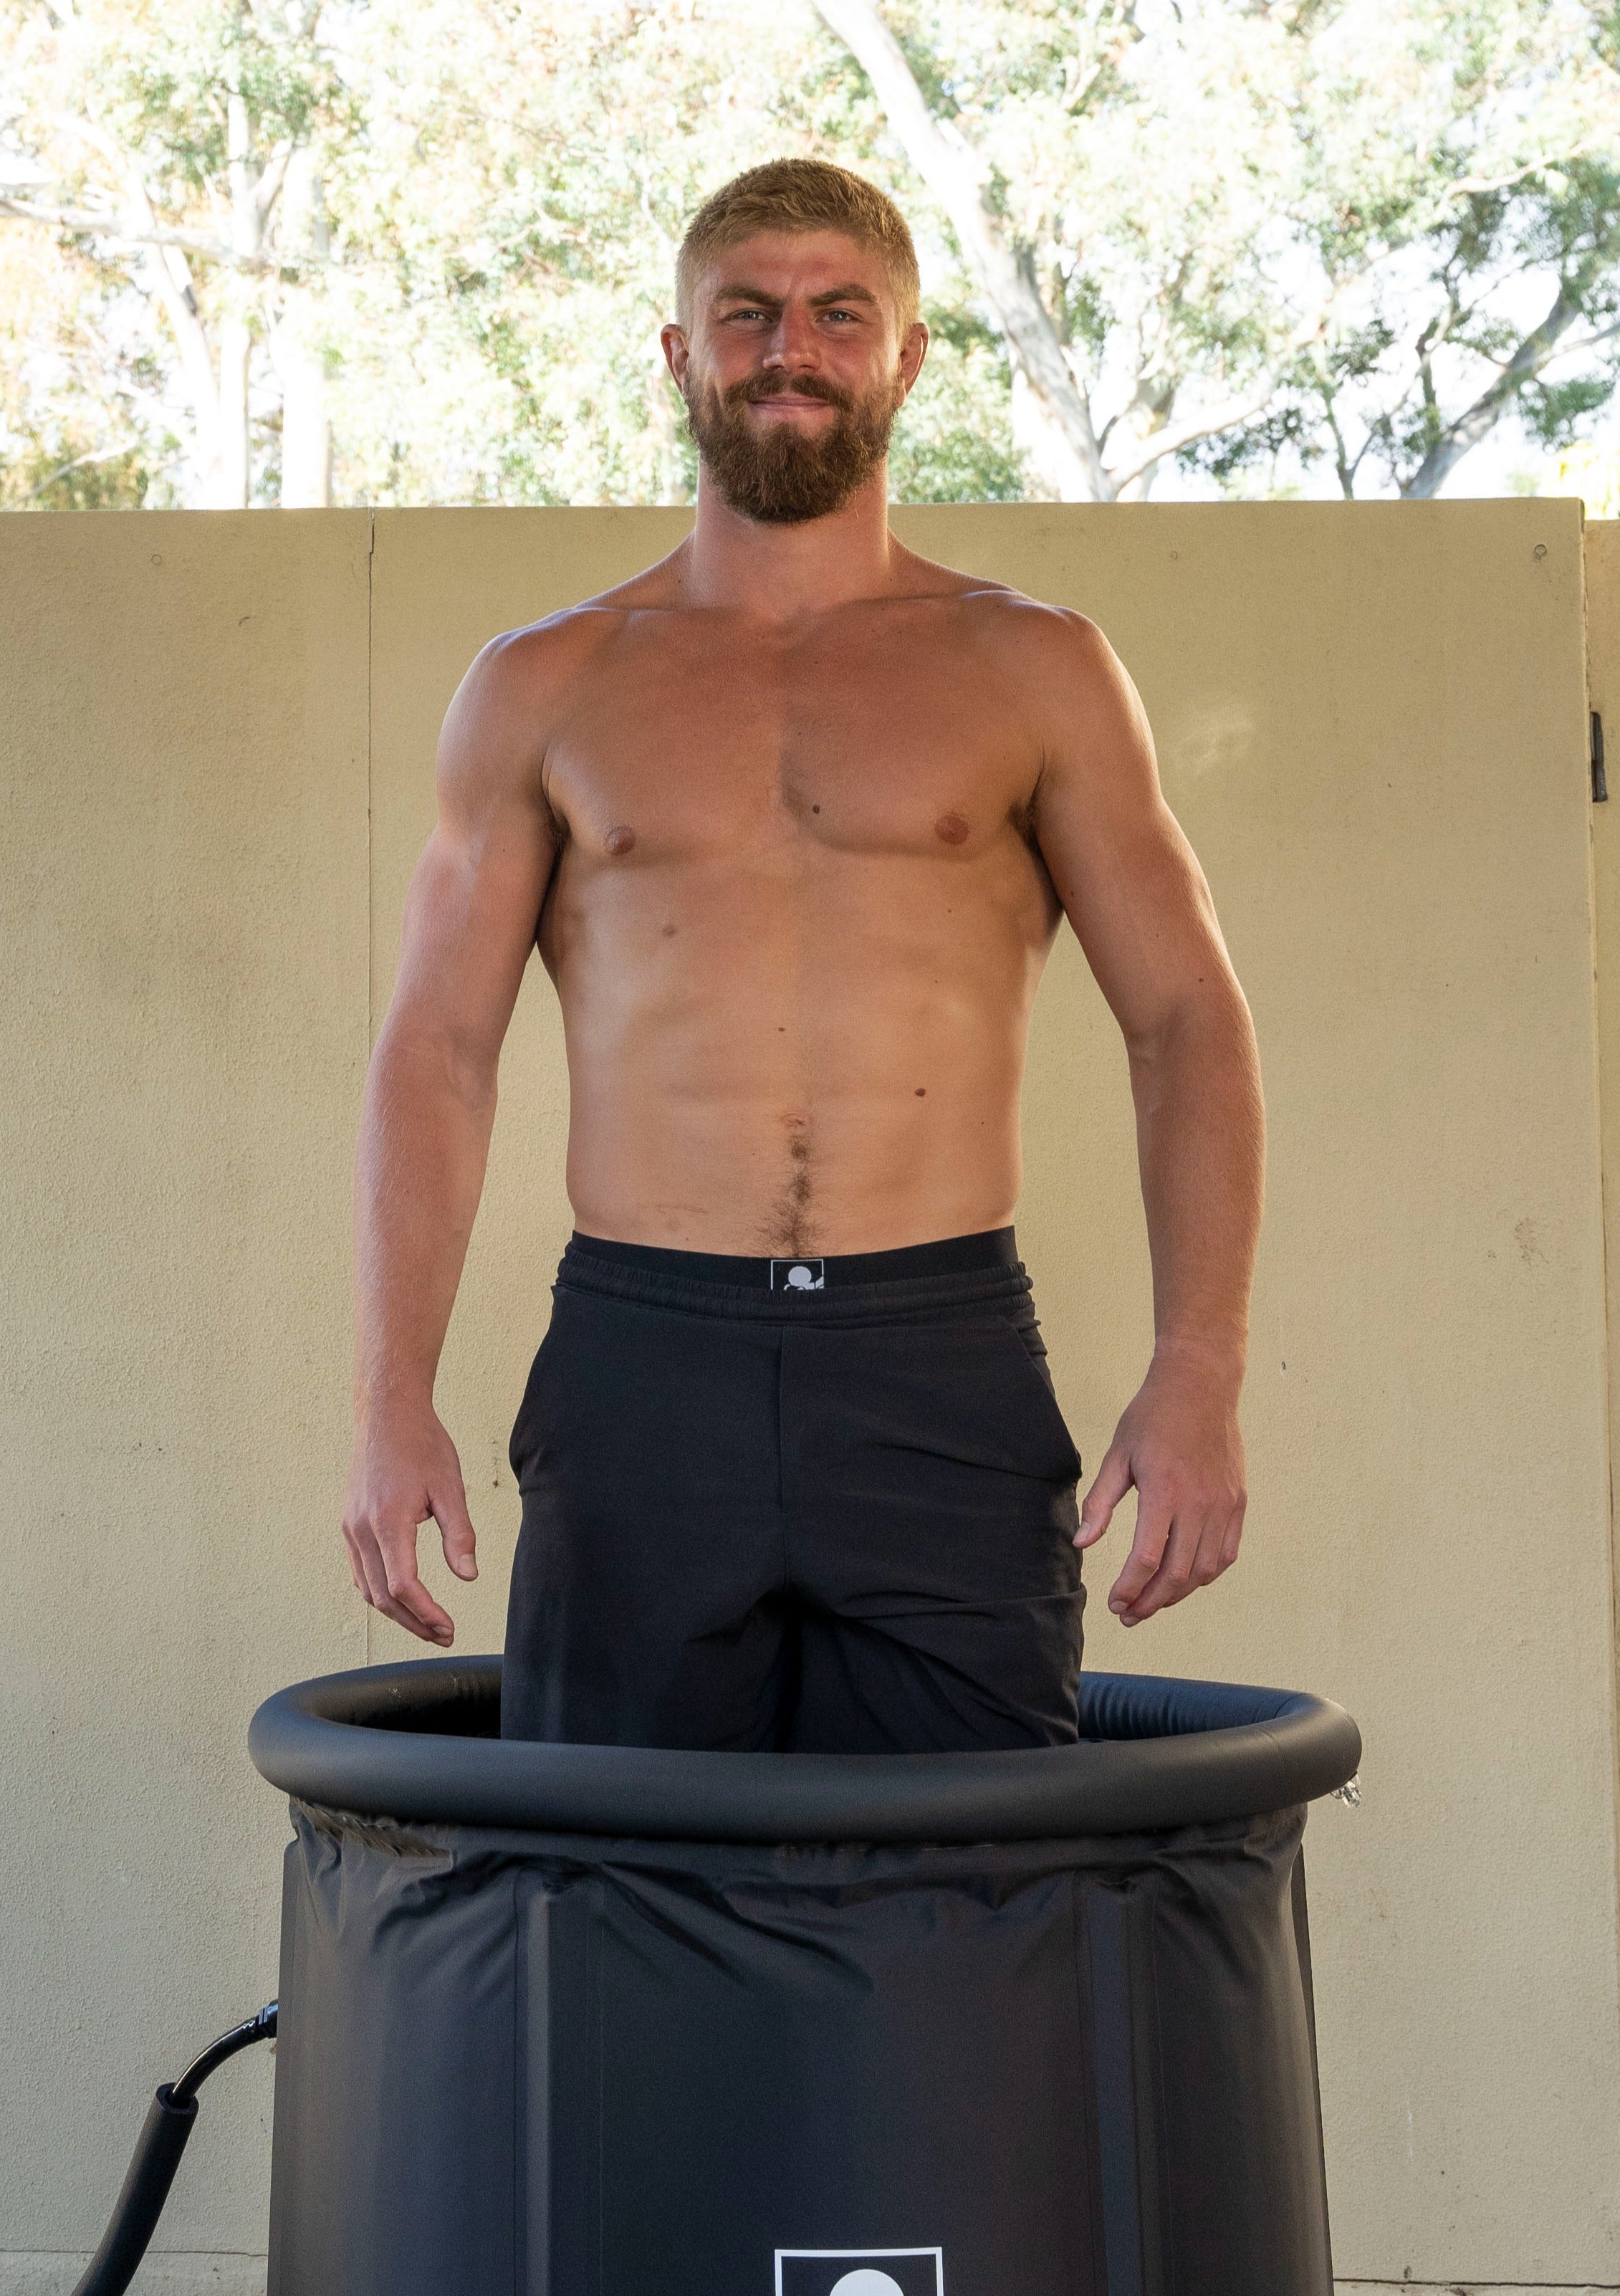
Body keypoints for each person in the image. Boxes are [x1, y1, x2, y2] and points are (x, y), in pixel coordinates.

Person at [341, 158, 1262, 1752]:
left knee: (978, 1916)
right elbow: (440, 1047)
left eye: (841, 313)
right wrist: (387, 1394)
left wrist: (1200, 1371)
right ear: (679, 351)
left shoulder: (1033, 667)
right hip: (643, 1357)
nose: (791, 348)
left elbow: (1186, 1018)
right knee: (609, 1903)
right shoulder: (546, 682)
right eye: (746, 313)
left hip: (938, 1353)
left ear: (907, 355)